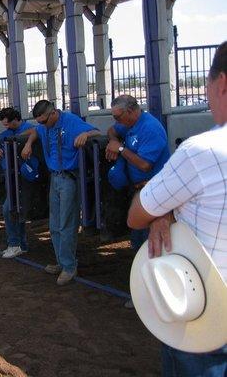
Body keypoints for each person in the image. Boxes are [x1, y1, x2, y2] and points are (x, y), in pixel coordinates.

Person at [127, 41, 227, 377]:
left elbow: (137, 214)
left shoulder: (203, 151)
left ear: (222, 85)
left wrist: (164, 212)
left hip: (210, 310)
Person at [21, 100, 100, 285]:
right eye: (39, 121)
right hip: (55, 177)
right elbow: (35, 131)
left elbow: (96, 131)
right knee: (55, 223)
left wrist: (85, 134)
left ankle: (69, 266)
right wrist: (29, 143)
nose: (41, 125)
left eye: (43, 121)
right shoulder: (44, 126)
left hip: (69, 177)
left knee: (66, 223)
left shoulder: (70, 121)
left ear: (53, 113)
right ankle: (62, 261)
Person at [106, 94, 171, 308]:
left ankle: (158, 296)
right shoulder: (129, 123)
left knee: (153, 245)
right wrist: (114, 140)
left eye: (118, 116)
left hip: (155, 191)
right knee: (138, 243)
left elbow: (145, 165)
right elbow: (112, 131)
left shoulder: (150, 128)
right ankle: (144, 293)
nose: (116, 121)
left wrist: (122, 150)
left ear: (132, 111)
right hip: (140, 191)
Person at [0, 107, 35, 258]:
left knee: (9, 209)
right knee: (13, 208)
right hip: (11, 175)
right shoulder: (5, 134)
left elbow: (34, 132)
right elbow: (4, 148)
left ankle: (14, 243)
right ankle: (21, 244)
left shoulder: (29, 129)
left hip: (23, 176)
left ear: (15, 120)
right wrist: (1, 151)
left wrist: (23, 141)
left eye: (7, 124)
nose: (5, 127)